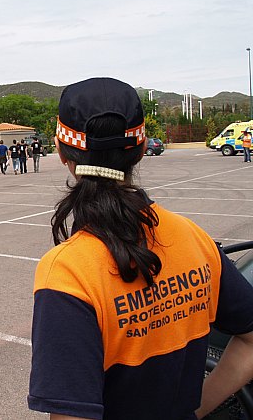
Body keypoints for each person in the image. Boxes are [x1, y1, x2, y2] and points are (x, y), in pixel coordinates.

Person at [28, 77, 253, 420]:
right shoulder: (194, 237)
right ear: (141, 145)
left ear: (61, 151)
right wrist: (195, 411)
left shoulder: (68, 270)